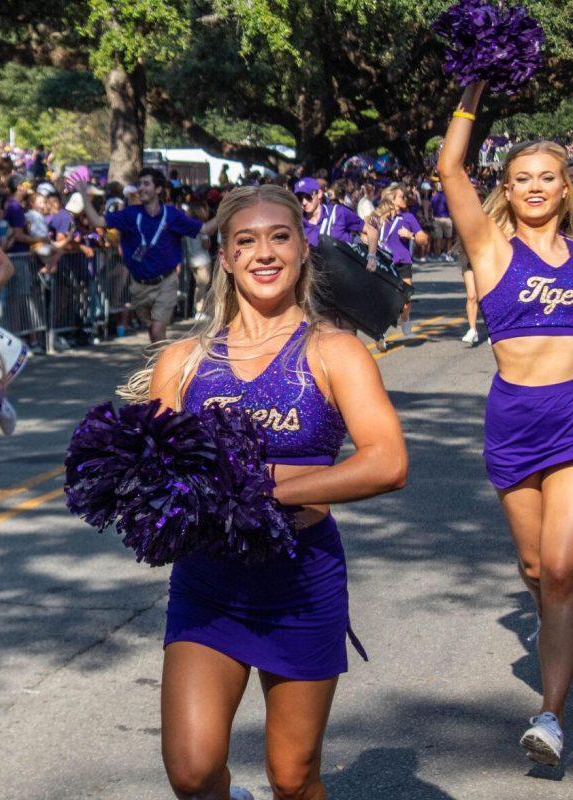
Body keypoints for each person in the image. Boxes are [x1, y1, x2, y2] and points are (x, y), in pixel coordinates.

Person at [139, 185, 407, 800]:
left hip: (300, 582)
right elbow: (152, 473)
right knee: (193, 771)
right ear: (227, 258)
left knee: (292, 778)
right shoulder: (182, 361)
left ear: (303, 250)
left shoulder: (333, 351)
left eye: (280, 237)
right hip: (208, 583)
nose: (264, 252)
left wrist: (262, 488)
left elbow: (388, 462)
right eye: (246, 241)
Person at [438, 80, 573, 767]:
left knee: (558, 566)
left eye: (549, 176)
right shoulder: (492, 250)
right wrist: (474, 85)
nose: (536, 186)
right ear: (510, 189)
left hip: (572, 417)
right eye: (523, 178)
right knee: (534, 568)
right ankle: (562, 625)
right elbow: (450, 169)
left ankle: (549, 715)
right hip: (514, 422)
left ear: (565, 187)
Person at [78, 169, 219, 342]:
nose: (141, 188)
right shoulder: (131, 214)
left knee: (158, 329)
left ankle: (163, 367)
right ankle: (161, 362)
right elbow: (98, 222)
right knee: (153, 332)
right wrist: (84, 196)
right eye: (139, 184)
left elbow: (205, 229)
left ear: (158, 189)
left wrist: (226, 211)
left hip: (166, 282)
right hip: (139, 286)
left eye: (146, 184)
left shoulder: (172, 215)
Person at [363, 185, 426, 334]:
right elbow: (364, 234)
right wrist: (369, 242)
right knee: (382, 299)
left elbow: (423, 240)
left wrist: (410, 235)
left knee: (406, 298)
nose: (405, 199)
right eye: (401, 197)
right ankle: (380, 334)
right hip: (383, 261)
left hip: (402, 261)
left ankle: (404, 318)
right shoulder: (377, 218)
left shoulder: (408, 217)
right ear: (392, 199)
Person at [294, 176, 363, 247]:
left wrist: (371, 255)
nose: (304, 202)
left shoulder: (338, 211)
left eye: (308, 196)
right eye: (299, 198)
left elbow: (369, 231)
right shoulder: (299, 227)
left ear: (319, 194)